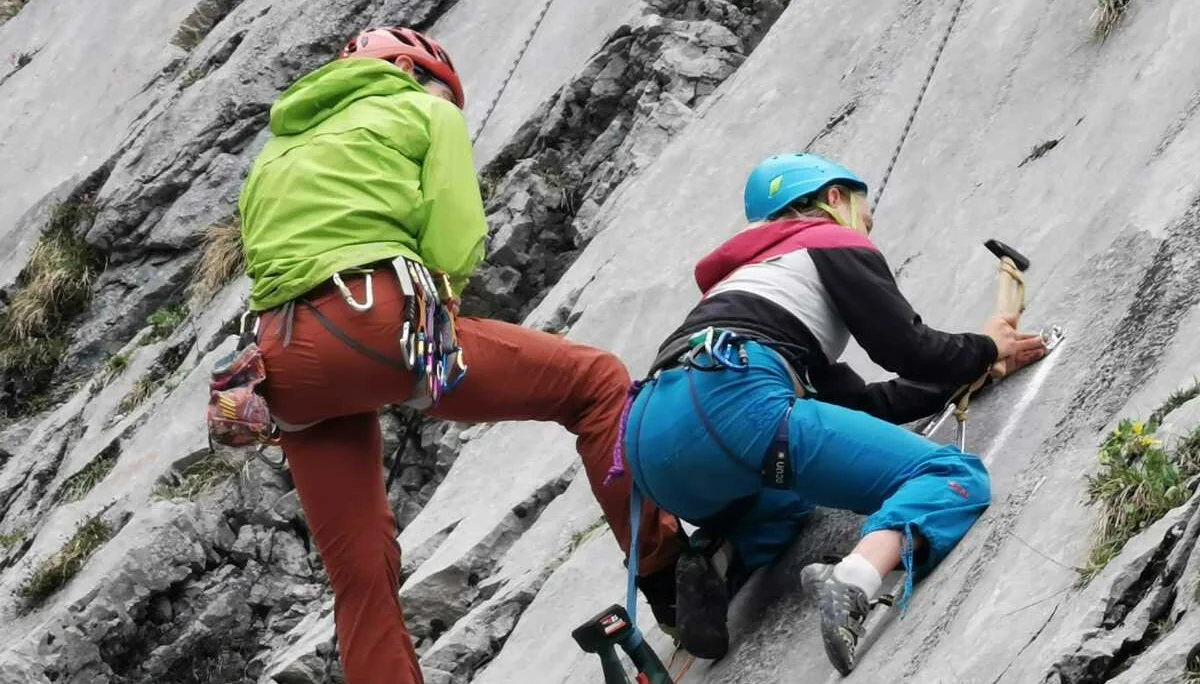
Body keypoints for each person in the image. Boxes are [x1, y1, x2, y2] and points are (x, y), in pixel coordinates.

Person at [234, 26, 681, 684]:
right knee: (594, 383)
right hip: (376, 321)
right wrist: (437, 317)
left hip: (281, 365)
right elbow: (454, 238)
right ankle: (670, 578)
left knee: (361, 576)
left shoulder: (277, 150)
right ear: (415, 73)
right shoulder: (423, 107)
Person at [616, 153, 1047, 674]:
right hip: (733, 401)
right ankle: (854, 581)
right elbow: (910, 349)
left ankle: (717, 555)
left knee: (790, 497)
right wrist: (983, 345)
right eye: (865, 211)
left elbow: (864, 406)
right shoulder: (829, 238)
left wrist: (978, 369)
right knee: (949, 476)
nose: (868, 225)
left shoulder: (746, 288)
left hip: (650, 440)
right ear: (833, 199)